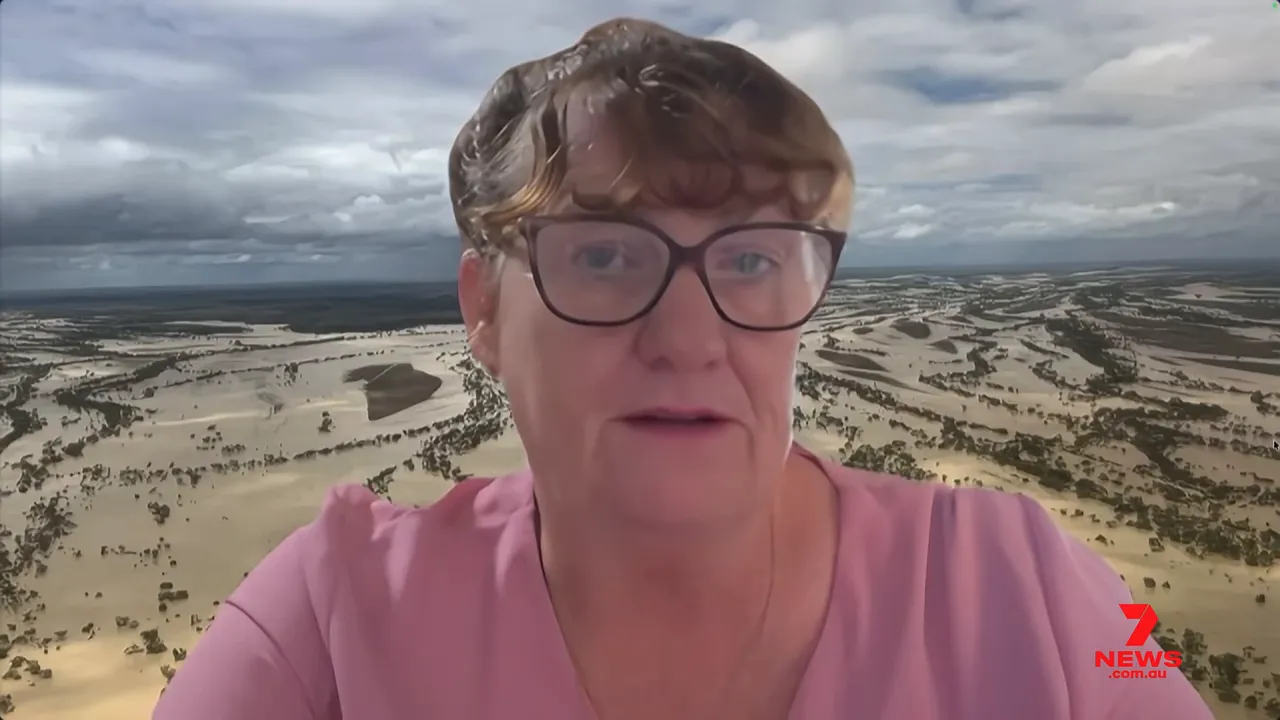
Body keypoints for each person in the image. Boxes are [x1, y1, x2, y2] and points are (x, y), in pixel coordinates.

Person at [154, 18, 1214, 720]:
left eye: (750, 259)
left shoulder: (1033, 588)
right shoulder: (332, 618)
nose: (688, 337)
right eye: (606, 257)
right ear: (485, 310)